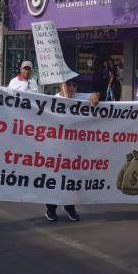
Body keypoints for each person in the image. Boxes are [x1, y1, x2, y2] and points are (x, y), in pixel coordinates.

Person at [45, 78, 86, 222]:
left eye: (75, 85)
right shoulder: (50, 101)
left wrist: (95, 96)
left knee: (71, 179)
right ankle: (51, 208)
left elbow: (95, 97)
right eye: (68, 84)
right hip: (55, 148)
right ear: (61, 85)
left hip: (73, 148)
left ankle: (69, 206)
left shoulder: (80, 99)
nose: (71, 87)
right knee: (53, 178)